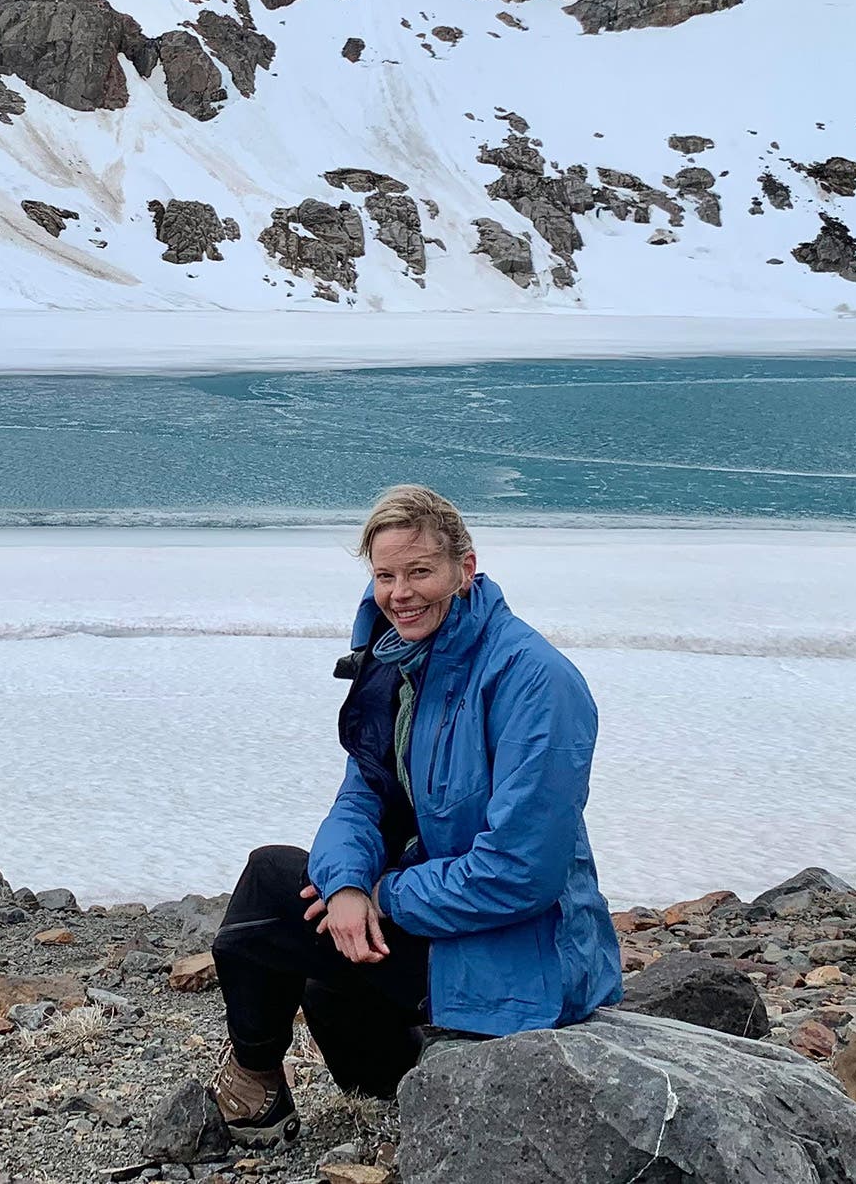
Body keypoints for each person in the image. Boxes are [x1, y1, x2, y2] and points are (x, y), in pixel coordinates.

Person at [206, 485, 623, 1144]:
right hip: (448, 923)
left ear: (467, 568)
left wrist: (380, 894)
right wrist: (345, 884)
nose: (400, 592)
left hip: (528, 952)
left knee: (269, 887)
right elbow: (360, 798)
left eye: (420, 571)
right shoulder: (401, 663)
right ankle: (414, 1108)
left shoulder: (534, 680)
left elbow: (520, 873)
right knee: (326, 983)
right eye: (385, 575)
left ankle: (252, 1088)